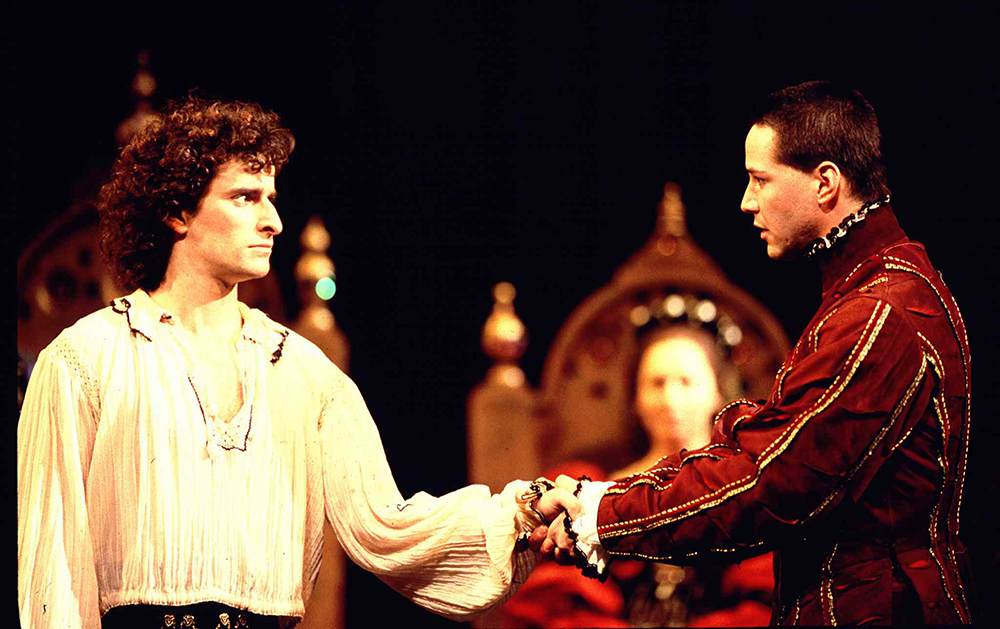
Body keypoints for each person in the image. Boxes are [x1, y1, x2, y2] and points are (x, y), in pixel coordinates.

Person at [16, 95, 581, 629]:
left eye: (272, 198)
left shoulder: (306, 375)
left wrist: (523, 512)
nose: (274, 221)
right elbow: (54, 570)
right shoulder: (86, 360)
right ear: (176, 210)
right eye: (245, 197)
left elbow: (389, 529)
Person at [541, 81, 976, 625]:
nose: (747, 201)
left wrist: (599, 516)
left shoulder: (880, 312)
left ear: (825, 183)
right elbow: (771, 452)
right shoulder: (867, 295)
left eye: (760, 180)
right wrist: (601, 498)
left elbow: (772, 481)